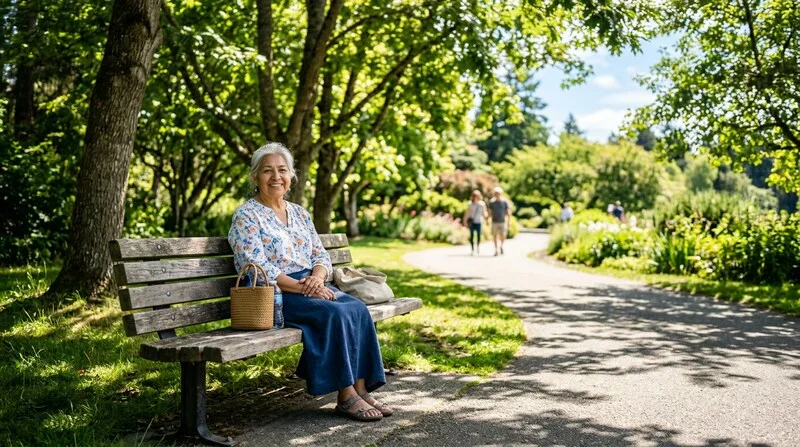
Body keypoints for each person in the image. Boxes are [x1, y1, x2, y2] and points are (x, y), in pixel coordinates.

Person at [228, 142, 392, 422]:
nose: (275, 176)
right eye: (267, 171)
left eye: (282, 170)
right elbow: (255, 265)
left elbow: (320, 255)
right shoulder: (247, 215)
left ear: (291, 177)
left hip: (310, 285)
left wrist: (316, 279)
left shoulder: (300, 213)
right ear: (255, 176)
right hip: (274, 294)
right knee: (335, 313)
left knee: (357, 309)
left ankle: (362, 389)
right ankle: (345, 395)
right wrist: (306, 288)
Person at [463, 190, 488, 255]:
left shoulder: (482, 204)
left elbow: (484, 212)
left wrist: (486, 216)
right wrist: (465, 221)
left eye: (477, 196)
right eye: (475, 196)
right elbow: (467, 213)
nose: (476, 197)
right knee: (471, 236)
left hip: (479, 221)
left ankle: (478, 247)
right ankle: (472, 249)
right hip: (472, 222)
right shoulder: (470, 204)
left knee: (479, 236)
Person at [488, 186, 512, 256]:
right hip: (494, 221)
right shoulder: (492, 202)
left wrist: (509, 221)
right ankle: (496, 249)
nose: (496, 194)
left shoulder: (504, 202)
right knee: (494, 235)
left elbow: (508, 211)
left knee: (503, 235)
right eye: (495, 193)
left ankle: (501, 246)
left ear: (500, 193)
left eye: (498, 193)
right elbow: (490, 212)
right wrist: (487, 220)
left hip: (502, 221)